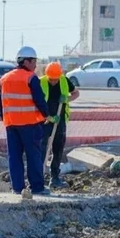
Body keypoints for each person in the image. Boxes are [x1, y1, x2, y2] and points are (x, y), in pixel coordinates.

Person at [0, 46, 54, 196]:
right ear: (27, 61)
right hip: (30, 124)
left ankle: (17, 188)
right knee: (33, 156)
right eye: (34, 61)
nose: (35, 65)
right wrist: (47, 115)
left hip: (11, 124)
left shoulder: (4, 78)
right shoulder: (30, 78)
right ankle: (37, 188)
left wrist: (5, 118)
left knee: (14, 157)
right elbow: (39, 100)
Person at [39, 61, 80, 189]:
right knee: (42, 147)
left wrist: (67, 99)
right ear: (47, 76)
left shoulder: (64, 81)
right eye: (51, 79)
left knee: (58, 149)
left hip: (60, 120)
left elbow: (76, 93)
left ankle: (55, 177)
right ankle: (38, 176)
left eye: (55, 79)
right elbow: (35, 102)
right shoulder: (40, 82)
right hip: (44, 120)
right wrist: (49, 118)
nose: (53, 82)